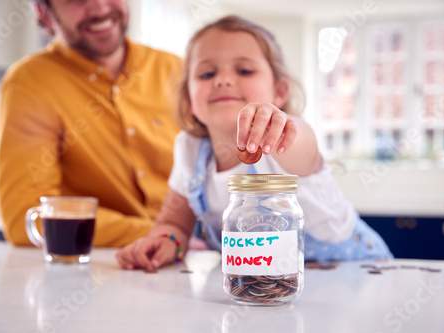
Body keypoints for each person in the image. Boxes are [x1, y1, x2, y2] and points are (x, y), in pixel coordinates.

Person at [116, 15, 392, 270]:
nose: (223, 80)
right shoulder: (189, 149)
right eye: (207, 74)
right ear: (189, 101)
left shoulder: (285, 137)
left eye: (245, 71)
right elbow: (174, 222)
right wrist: (168, 241)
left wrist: (278, 123)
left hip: (354, 273)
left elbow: (302, 143)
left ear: (280, 92)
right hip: (264, 287)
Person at [0, 0, 182, 247]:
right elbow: (27, 218)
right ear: (45, 14)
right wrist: (165, 234)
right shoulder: (28, 84)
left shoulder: (177, 70)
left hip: (193, 260)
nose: (100, 8)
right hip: (94, 268)